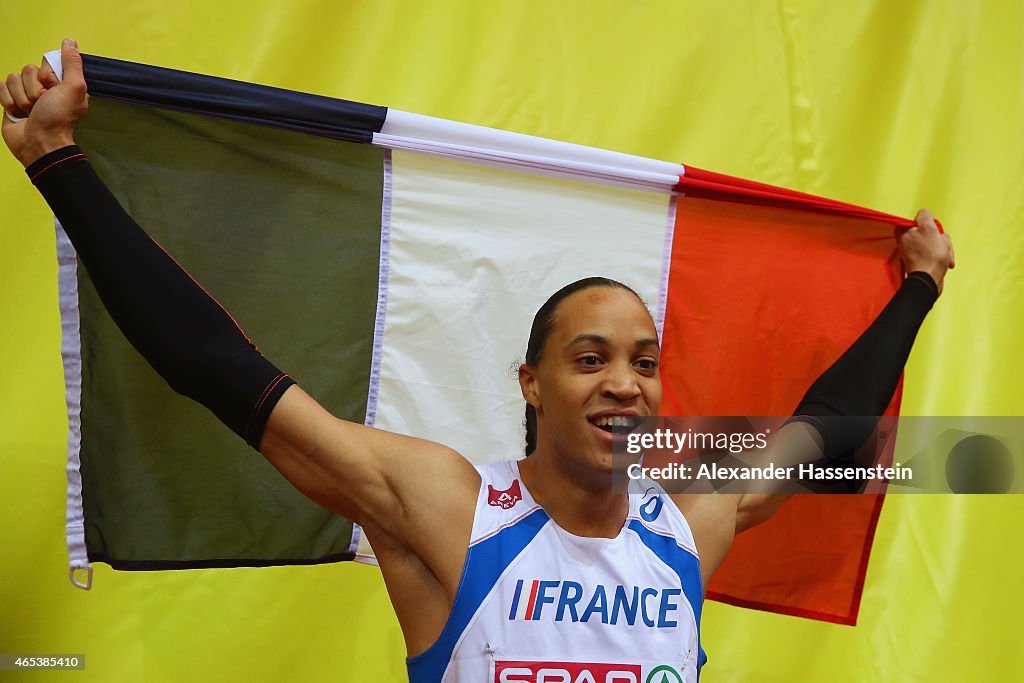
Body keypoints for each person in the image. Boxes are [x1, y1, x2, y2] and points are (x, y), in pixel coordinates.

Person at [3, 41, 954, 682]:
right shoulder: (448, 506)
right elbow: (218, 368)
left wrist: (915, 289)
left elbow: (825, 432)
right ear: (531, 384)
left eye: (645, 361)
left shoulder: (690, 523)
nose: (626, 381)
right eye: (591, 357)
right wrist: (57, 165)